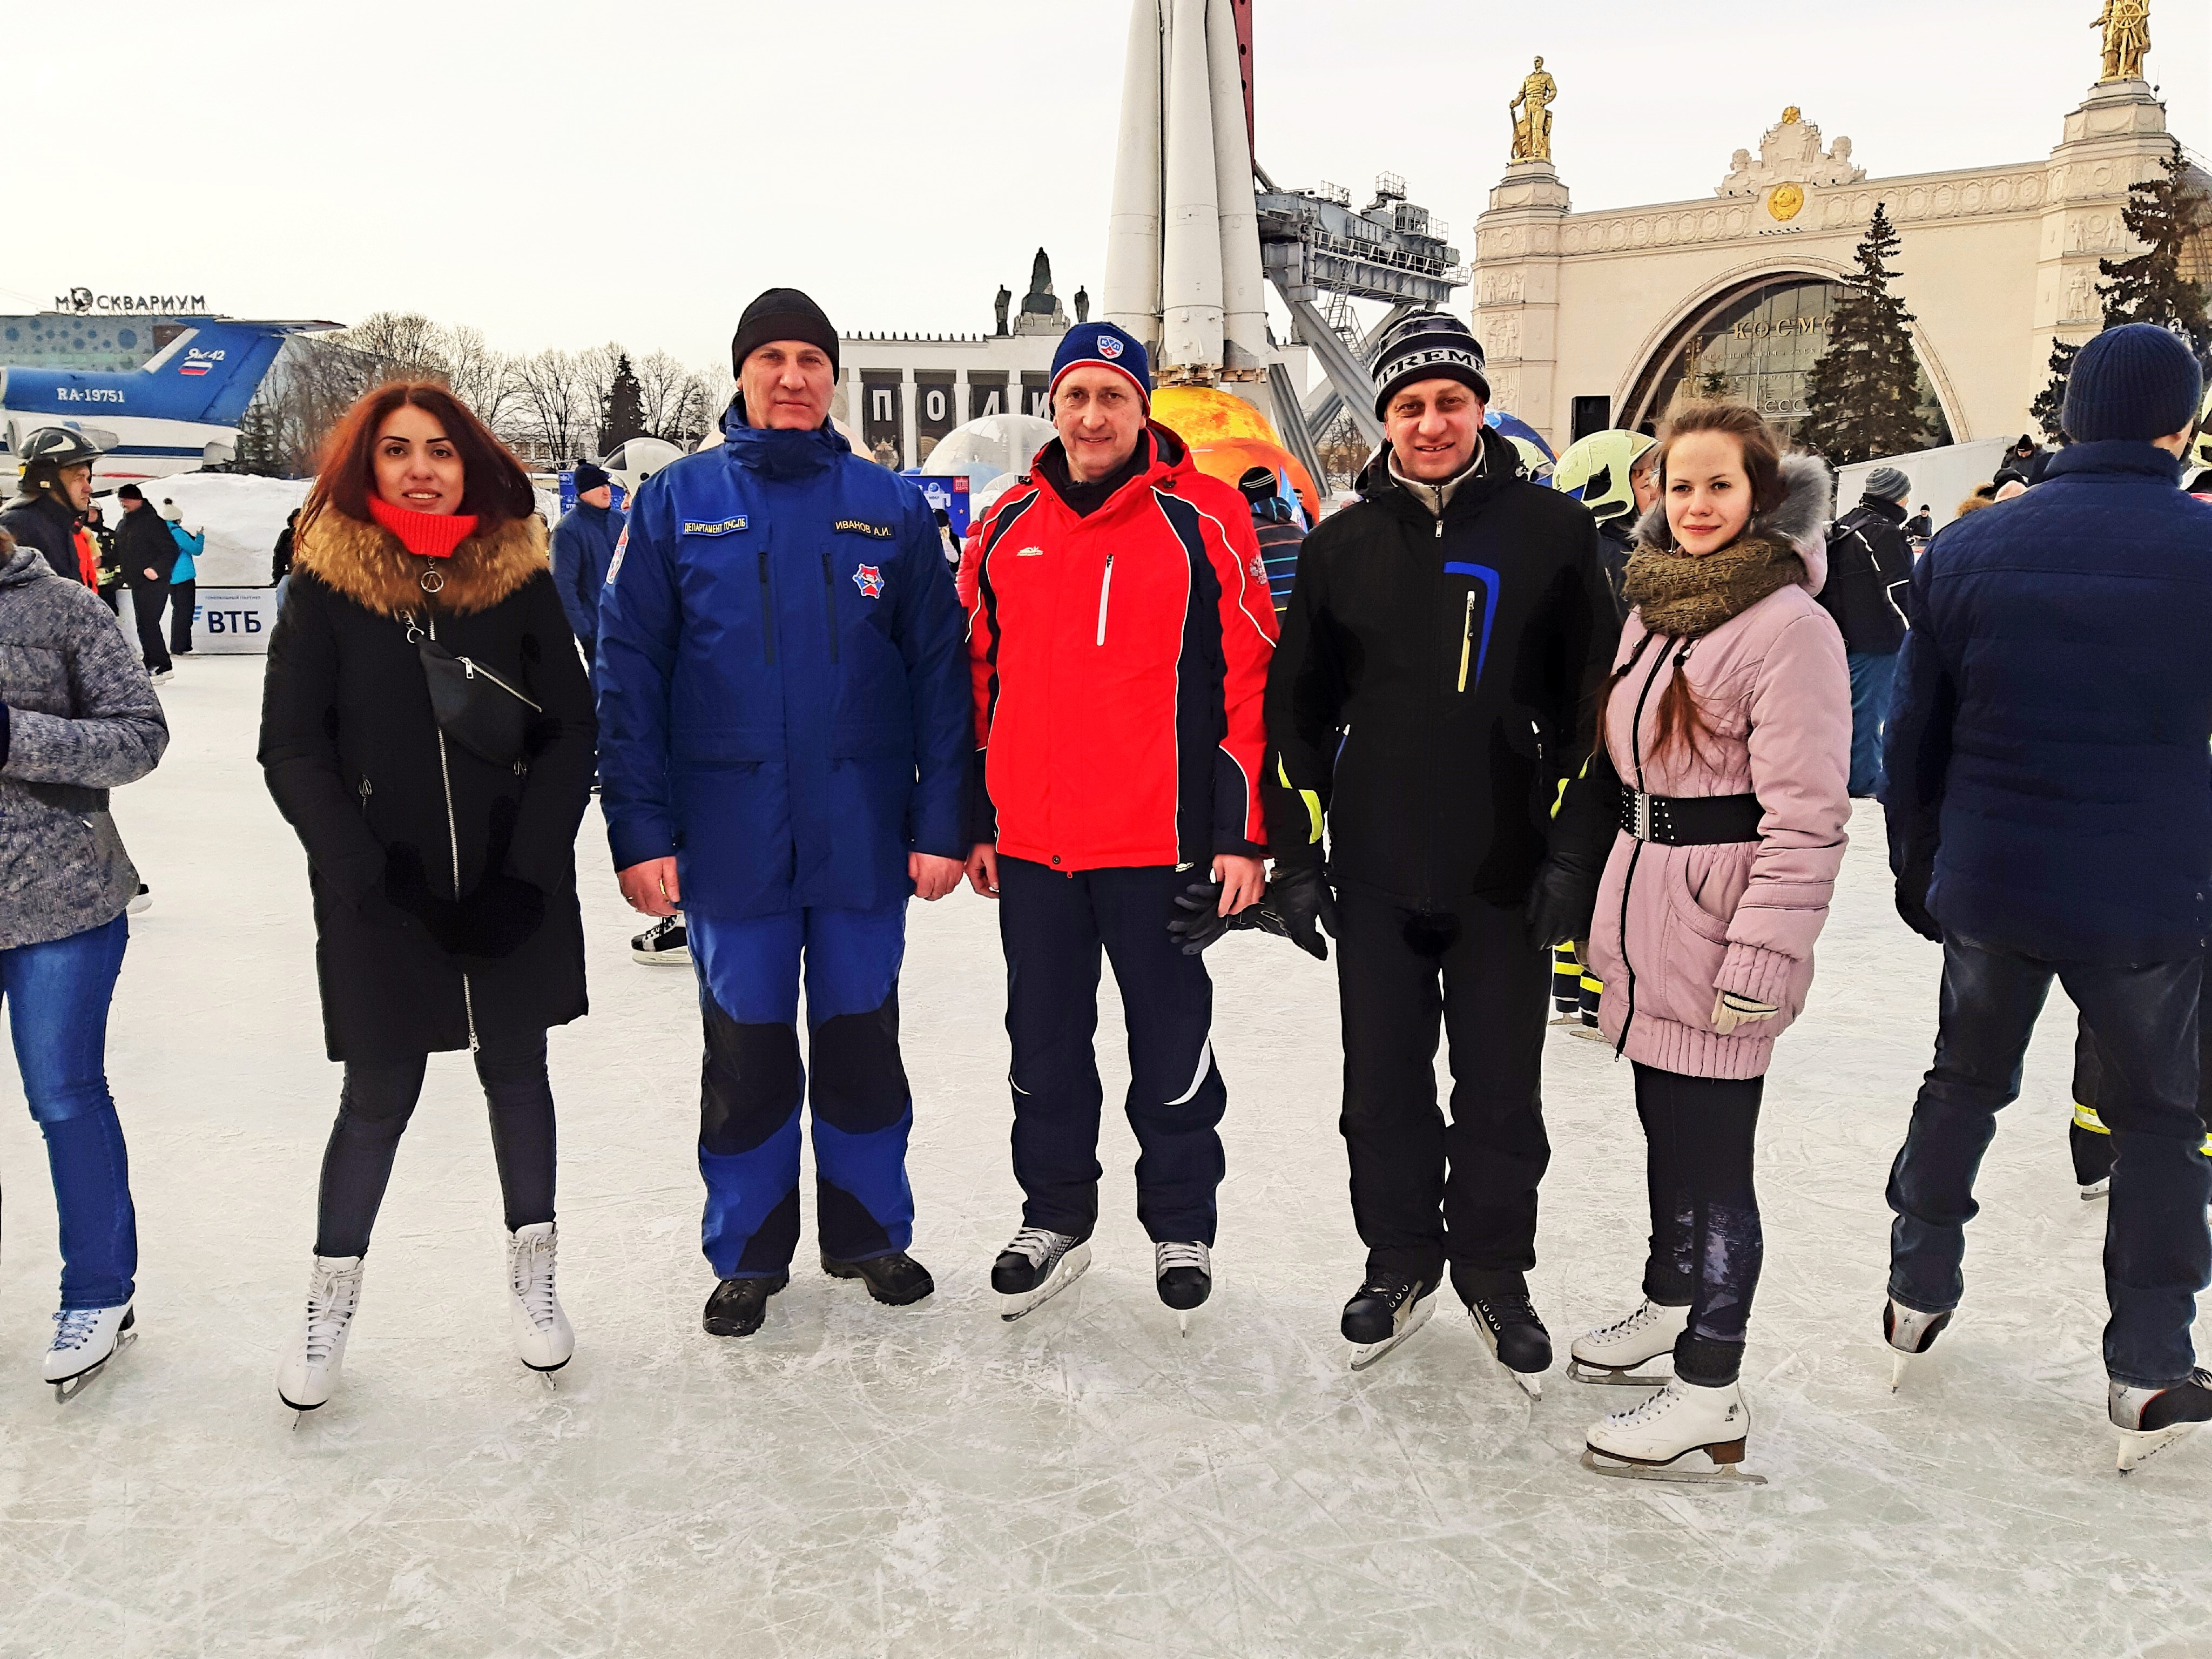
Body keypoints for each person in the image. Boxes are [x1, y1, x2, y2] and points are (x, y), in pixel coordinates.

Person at [597, 287, 970, 1340]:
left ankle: (866, 1235)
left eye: (811, 358)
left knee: (860, 1042)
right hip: (728, 841)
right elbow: (629, 677)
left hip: (859, 832)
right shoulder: (676, 503)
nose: (794, 376)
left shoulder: (887, 505)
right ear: (743, 374)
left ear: (833, 378)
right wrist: (640, 831)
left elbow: (941, 675)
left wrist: (942, 821)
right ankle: (749, 1252)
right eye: (774, 358)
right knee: (747, 1052)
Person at [1260, 311, 1618, 1384]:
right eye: (1408, 407)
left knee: (1500, 1088)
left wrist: (1570, 855)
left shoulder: (1546, 534)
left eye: (1447, 402)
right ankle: (1399, 1260)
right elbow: (1296, 714)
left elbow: (1588, 713)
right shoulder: (1338, 544)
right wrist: (1294, 853)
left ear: (1477, 408)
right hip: (1373, 872)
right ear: (1382, 420)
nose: (1428, 423)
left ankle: (1494, 1273)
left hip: (1501, 873)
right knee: (1380, 1089)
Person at [1881, 323, 2212, 1471]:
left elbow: (1911, 735)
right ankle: (2148, 1362)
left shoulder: (1967, 551)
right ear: (2178, 425)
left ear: (2071, 419)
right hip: (2148, 898)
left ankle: (1915, 1281)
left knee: (1962, 1078)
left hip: (1993, 878)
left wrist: (1917, 870)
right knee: (2165, 1121)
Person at [258, 383, 597, 1412]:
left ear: (471, 465)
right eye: (397, 450)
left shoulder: (517, 578)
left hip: (507, 888)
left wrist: (528, 871)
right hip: (383, 899)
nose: (420, 468)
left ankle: (536, 1283)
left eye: (440, 451)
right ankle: (328, 1304)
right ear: (367, 467)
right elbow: (292, 748)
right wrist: (367, 874)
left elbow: (571, 730)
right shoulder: (326, 588)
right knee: (376, 1099)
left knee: (518, 1071)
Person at [961, 321, 1276, 1327]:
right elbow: (975, 680)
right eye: (1075, 396)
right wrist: (976, 814)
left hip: (1161, 844)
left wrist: (1242, 833)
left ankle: (1181, 1220)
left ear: (1144, 409)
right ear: (1053, 409)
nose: (1092, 416)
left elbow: (1248, 679)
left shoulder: (1205, 517)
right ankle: (1054, 1214)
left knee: (1170, 1043)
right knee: (1043, 1044)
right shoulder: (1007, 523)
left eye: (1112, 396)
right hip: (1037, 848)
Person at [1569, 402, 1848, 1478]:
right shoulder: (1654, 606)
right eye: (1677, 486)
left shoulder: (1787, 629)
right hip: (1648, 912)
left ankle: (1710, 1380)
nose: (1693, 506)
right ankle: (1668, 1298)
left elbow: (1807, 815)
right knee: (1663, 1128)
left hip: (1723, 917)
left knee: (1714, 1160)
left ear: (1761, 497)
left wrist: (1762, 958)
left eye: (1717, 487)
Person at [0, 524, 167, 1393]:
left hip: (60, 896)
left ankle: (101, 1291)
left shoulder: (69, 609)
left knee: (64, 1095)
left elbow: (140, 737)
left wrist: (12, 735)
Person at [1548, 428, 1663, 1035]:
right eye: (1647, 478)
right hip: (1608, 736)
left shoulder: (1579, 550)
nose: (1662, 490)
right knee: (1605, 858)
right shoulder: (1620, 560)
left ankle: (1571, 984)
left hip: (1587, 732)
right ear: (1610, 489)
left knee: (1584, 854)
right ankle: (1597, 991)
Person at [1818, 464, 1914, 799]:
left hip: (1843, 634)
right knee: (1869, 711)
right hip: (1877, 638)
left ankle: (1846, 773)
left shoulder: (1846, 524)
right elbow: (1898, 589)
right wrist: (1914, 634)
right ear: (1898, 497)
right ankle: (1863, 778)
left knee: (1847, 710)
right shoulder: (1883, 532)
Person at [1, 427, 104, 587]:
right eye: (79, 478)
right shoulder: (16, 527)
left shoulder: (61, 525)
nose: (88, 488)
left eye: (88, 479)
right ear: (48, 480)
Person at [551, 461, 622, 667]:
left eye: (607, 485)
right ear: (584, 492)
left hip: (628, 627)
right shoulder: (568, 531)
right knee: (604, 694)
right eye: (599, 486)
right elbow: (564, 587)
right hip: (598, 632)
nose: (606, 490)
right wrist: (585, 634)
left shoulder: (621, 521)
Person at [112, 485, 177, 683]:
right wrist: (103, 561)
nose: (124, 504)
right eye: (121, 500)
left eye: (127, 500)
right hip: (136, 581)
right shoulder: (124, 524)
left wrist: (157, 570)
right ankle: (151, 659)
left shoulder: (152, 522)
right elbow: (121, 552)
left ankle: (163, 665)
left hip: (155, 582)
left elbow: (170, 551)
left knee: (149, 622)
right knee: (143, 624)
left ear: (138, 499)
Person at [1238, 463, 1306, 614]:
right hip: (1300, 622)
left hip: (1265, 623)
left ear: (1244, 497)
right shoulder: (1298, 531)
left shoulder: (1246, 532)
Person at [160, 500, 203, 658]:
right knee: (185, 612)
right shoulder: (177, 532)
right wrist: (200, 537)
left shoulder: (161, 532)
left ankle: (178, 645)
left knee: (177, 611)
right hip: (184, 577)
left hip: (168, 577)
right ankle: (181, 646)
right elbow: (196, 550)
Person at [272, 508, 299, 590]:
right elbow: (279, 557)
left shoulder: (315, 536)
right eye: (299, 517)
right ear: (293, 520)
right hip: (292, 574)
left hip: (312, 576)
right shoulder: (286, 535)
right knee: (283, 588)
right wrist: (278, 579)